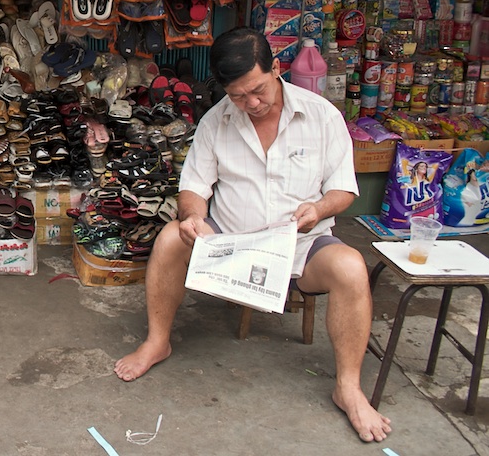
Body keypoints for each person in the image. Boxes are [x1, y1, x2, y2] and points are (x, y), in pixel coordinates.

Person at [114, 28, 392, 443]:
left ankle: (348, 388)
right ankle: (158, 342)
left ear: (277, 69)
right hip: (231, 243)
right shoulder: (215, 121)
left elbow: (343, 189)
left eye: (258, 90)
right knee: (171, 236)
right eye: (238, 96)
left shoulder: (321, 115)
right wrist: (193, 217)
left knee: (351, 267)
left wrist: (319, 209)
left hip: (300, 246)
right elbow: (194, 187)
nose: (252, 104)